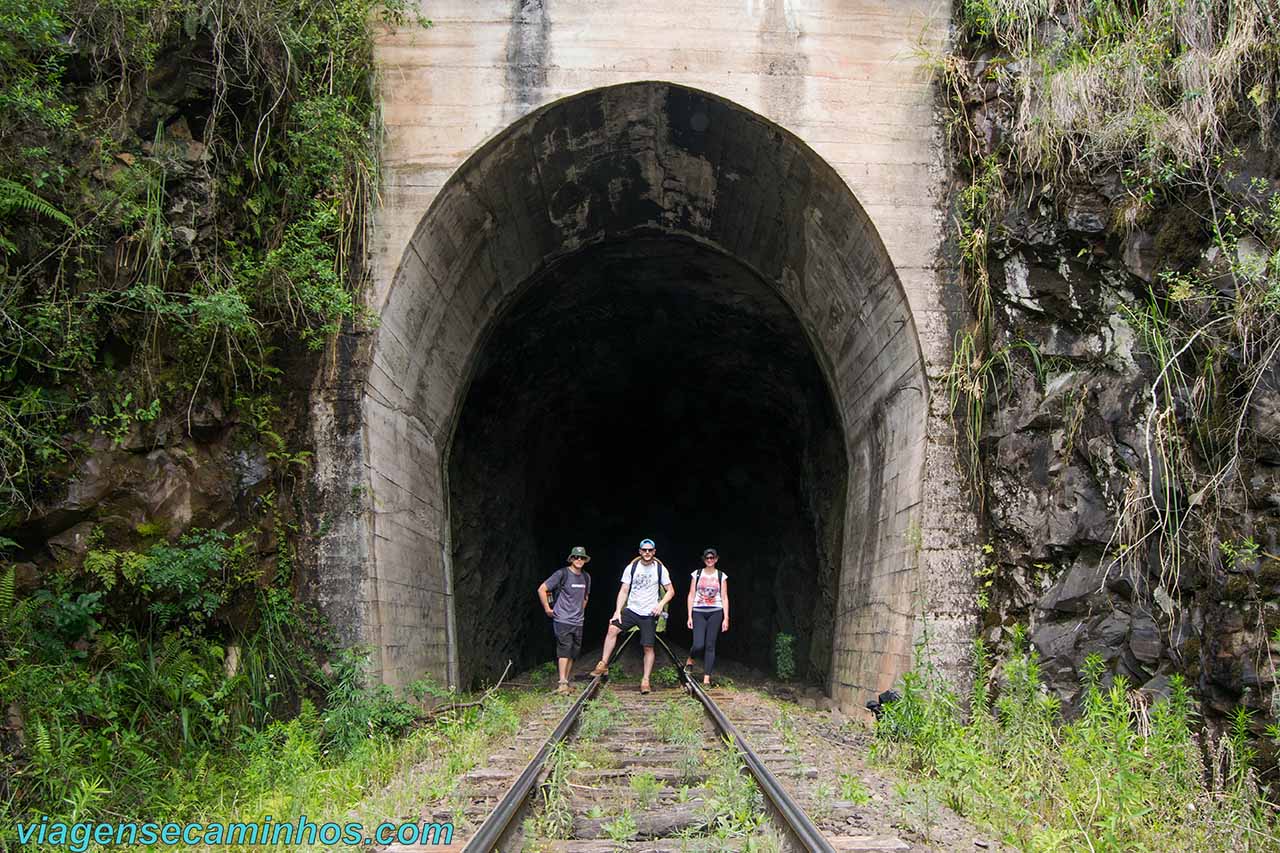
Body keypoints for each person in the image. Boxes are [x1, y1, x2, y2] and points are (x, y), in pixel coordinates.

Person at [588, 538, 673, 694]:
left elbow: (671, 591)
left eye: (650, 550)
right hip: (632, 609)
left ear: (654, 552)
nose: (647, 553)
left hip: (648, 613)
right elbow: (624, 590)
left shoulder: (660, 569)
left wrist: (660, 605)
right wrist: (617, 611)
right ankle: (603, 663)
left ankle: (645, 680)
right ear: (640, 552)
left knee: (648, 647)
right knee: (612, 629)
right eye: (644, 550)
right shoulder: (632, 567)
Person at [538, 546, 592, 695]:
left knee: (573, 652)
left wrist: (580, 611)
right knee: (564, 650)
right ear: (571, 559)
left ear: (585, 560)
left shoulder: (586, 577)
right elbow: (542, 589)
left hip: (578, 621)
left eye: (582, 558)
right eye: (576, 557)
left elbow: (585, 597)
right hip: (562, 619)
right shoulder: (562, 574)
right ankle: (562, 682)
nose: (579, 560)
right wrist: (548, 609)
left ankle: (566, 681)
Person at [684, 547, 729, 687]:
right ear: (704, 559)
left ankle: (707, 678)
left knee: (710, 645)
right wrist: (689, 615)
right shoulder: (696, 574)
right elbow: (691, 594)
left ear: (716, 559)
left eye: (712, 558)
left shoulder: (721, 576)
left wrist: (726, 617)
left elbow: (724, 597)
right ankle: (691, 658)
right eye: (707, 558)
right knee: (699, 644)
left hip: (716, 611)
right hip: (698, 610)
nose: (710, 560)